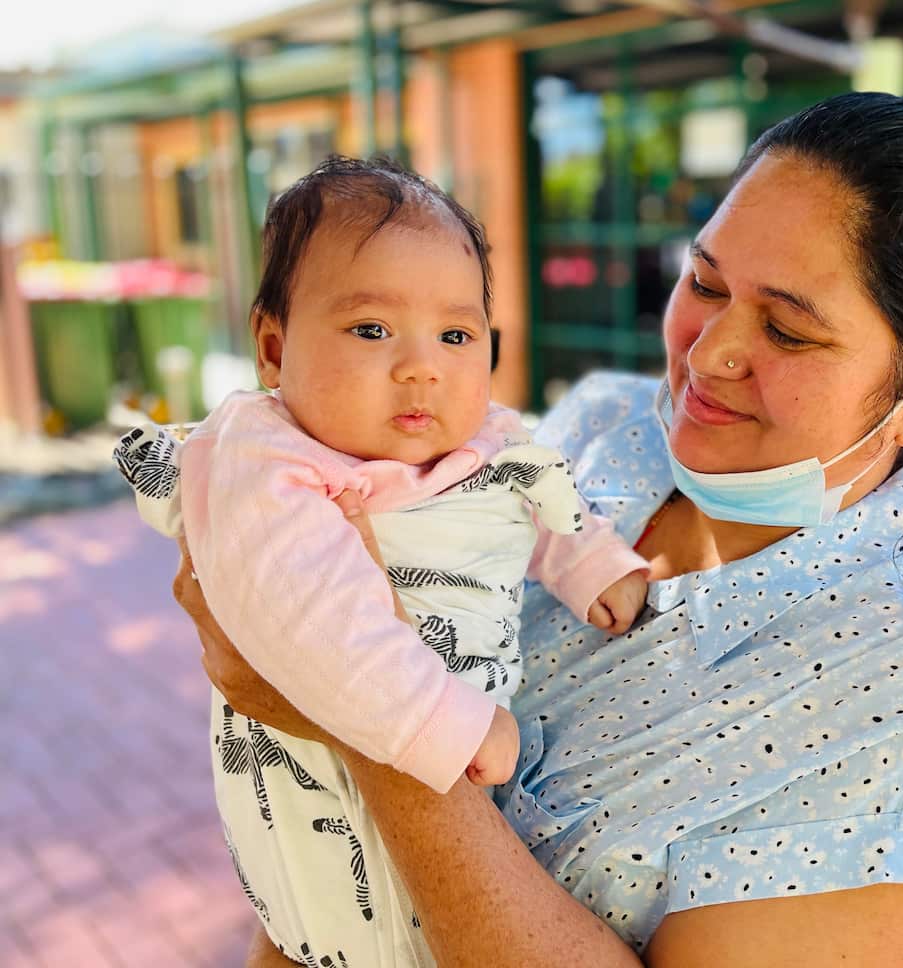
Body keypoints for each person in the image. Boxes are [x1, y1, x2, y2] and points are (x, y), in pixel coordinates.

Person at [176, 92, 903, 967]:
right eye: (705, 283)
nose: (706, 354)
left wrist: (360, 716)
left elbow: (339, 669)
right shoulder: (604, 427)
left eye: (786, 331)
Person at [118, 157, 649, 967]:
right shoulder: (264, 456)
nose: (422, 366)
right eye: (371, 330)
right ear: (273, 348)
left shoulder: (488, 437)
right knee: (334, 902)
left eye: (456, 335)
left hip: (460, 794)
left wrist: (589, 562)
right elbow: (312, 618)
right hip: (344, 751)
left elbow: (535, 491)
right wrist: (445, 723)